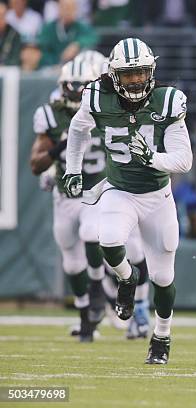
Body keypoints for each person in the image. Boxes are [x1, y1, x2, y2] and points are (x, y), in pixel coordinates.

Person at [63, 38, 192, 364]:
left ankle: (161, 336)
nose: (135, 80)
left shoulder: (168, 101)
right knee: (107, 238)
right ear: (114, 74)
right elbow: (78, 130)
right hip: (119, 189)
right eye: (128, 74)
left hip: (158, 196)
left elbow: (184, 160)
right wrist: (72, 170)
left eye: (140, 73)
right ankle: (126, 279)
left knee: (164, 277)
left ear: (151, 72)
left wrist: (154, 158)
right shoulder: (97, 96)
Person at [30, 58, 105, 342]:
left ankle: (98, 285)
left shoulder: (105, 110)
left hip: (96, 189)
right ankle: (86, 318)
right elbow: (35, 164)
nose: (76, 92)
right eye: (71, 86)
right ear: (61, 87)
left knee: (90, 232)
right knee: (72, 263)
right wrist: (58, 149)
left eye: (83, 86)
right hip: (66, 193)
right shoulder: (50, 115)